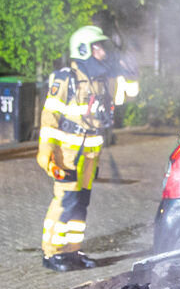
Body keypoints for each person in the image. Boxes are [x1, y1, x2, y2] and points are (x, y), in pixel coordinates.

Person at [38, 24, 139, 272]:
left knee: (81, 203)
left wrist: (130, 73)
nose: (103, 52)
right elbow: (49, 118)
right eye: (98, 48)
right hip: (67, 154)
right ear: (83, 50)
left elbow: (126, 96)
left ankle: (72, 251)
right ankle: (52, 253)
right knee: (65, 202)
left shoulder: (103, 80)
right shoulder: (65, 79)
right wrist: (47, 153)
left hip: (90, 154)